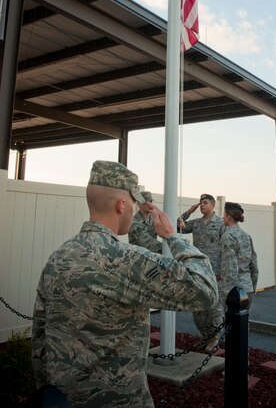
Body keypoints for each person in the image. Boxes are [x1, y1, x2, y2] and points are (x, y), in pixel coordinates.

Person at [31, 160, 219, 408]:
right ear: (122, 205)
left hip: (62, 398)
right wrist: (173, 237)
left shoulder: (58, 257)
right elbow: (205, 290)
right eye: (132, 204)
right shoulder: (126, 260)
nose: (133, 210)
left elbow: (40, 335)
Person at [178, 193, 225, 352]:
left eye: (205, 202)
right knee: (198, 306)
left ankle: (215, 337)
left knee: (215, 307)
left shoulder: (220, 223)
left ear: (212, 205)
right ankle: (206, 336)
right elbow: (178, 225)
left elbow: (226, 248)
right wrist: (189, 211)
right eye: (200, 203)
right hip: (198, 270)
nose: (202, 205)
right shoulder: (196, 223)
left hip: (215, 271)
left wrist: (223, 271)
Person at [220, 202, 259, 309]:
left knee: (232, 324)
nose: (223, 217)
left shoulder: (228, 236)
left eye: (224, 214)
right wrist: (252, 288)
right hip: (247, 288)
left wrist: (228, 293)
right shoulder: (246, 236)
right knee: (243, 324)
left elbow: (230, 268)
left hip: (234, 292)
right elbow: (254, 266)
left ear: (229, 216)